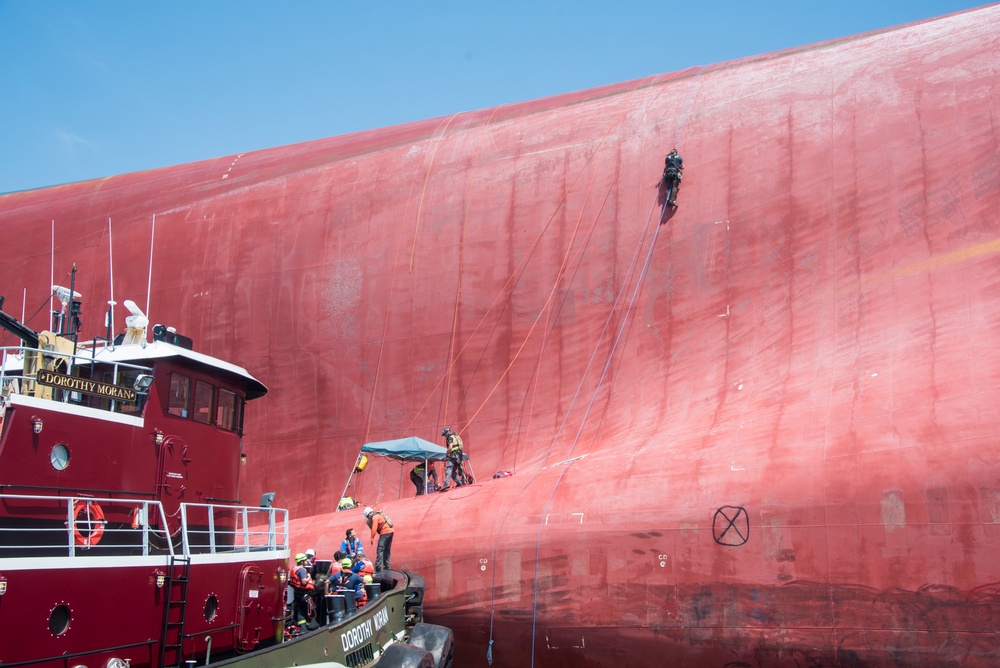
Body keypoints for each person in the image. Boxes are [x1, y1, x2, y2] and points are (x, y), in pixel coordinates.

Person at [364, 506, 394, 572]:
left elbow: (374, 528)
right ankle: (387, 565)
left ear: (370, 514)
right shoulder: (378, 515)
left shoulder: (375, 517)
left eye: (367, 516)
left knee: (380, 549)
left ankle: (378, 567)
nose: (368, 518)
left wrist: (372, 539)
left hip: (385, 532)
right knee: (387, 549)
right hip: (390, 531)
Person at [288, 553, 315, 628]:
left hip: (297, 594)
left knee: (300, 611)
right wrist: (309, 576)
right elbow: (304, 582)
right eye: (305, 560)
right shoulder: (302, 570)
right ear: (302, 561)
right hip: (303, 595)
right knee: (310, 610)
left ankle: (303, 628)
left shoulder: (294, 569)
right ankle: (311, 626)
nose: (306, 561)